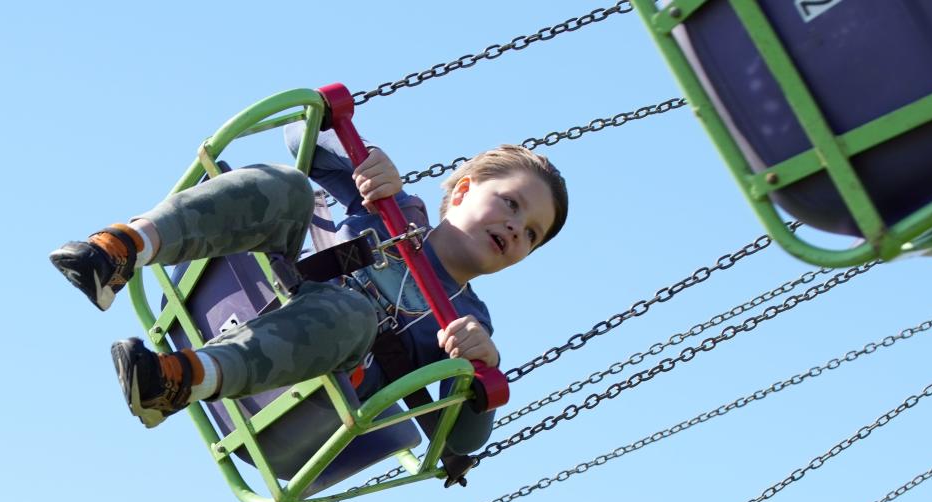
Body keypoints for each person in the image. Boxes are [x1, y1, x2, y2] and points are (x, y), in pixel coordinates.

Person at [48, 126, 568, 451]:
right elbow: (302, 135)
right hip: (244, 294)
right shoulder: (394, 209)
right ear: (463, 189)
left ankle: (177, 380)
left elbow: (456, 443)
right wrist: (367, 158)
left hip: (305, 398)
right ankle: (119, 250)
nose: (515, 229)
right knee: (291, 185)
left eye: (531, 235)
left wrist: (478, 375)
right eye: (512, 204)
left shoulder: (462, 318)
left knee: (353, 316)